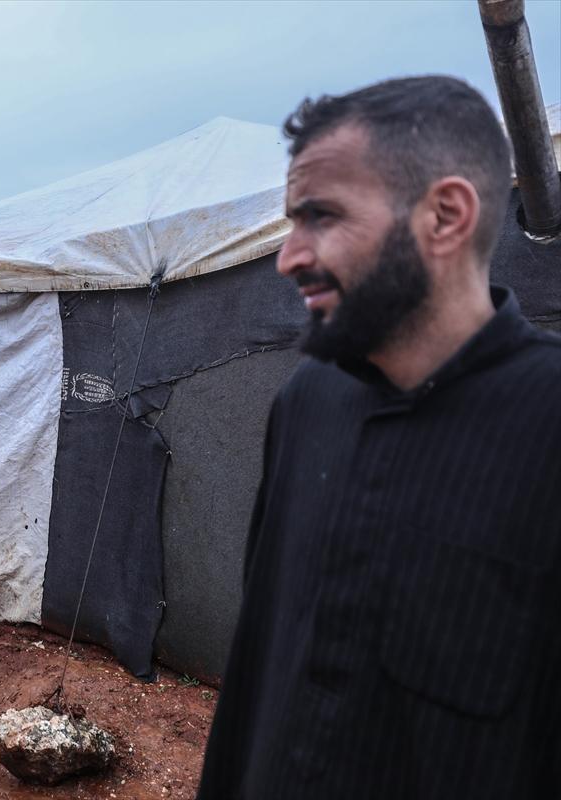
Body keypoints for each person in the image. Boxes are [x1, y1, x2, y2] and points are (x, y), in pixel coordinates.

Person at [197, 76, 561, 800]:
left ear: (446, 215)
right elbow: (253, 673)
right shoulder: (307, 402)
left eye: (320, 217)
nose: (288, 256)